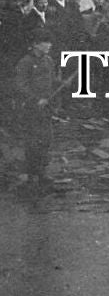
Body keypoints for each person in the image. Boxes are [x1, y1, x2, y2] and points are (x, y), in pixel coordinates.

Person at [13, 29, 58, 189]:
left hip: (46, 107)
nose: (49, 45)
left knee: (46, 139)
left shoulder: (49, 61)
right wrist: (35, 99)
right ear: (35, 45)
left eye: (49, 42)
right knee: (33, 140)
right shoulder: (25, 62)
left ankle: (42, 171)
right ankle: (32, 173)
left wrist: (62, 85)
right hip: (31, 108)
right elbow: (20, 86)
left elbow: (53, 81)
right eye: (45, 42)